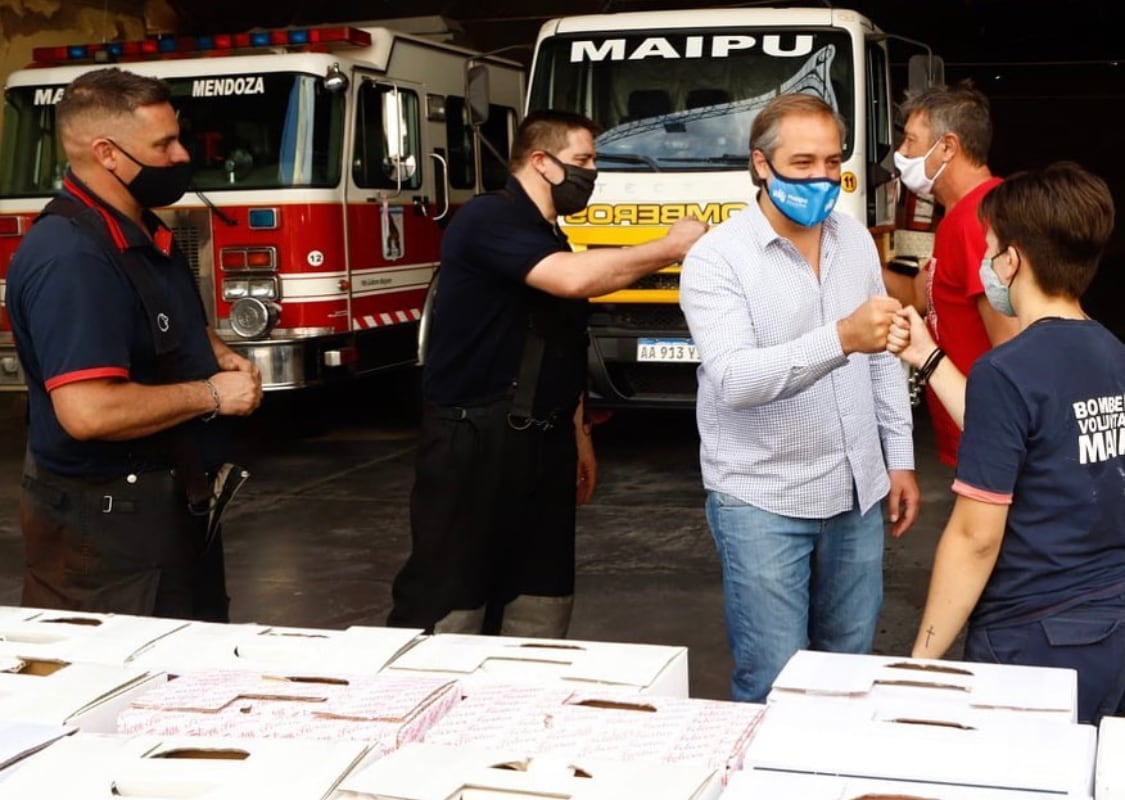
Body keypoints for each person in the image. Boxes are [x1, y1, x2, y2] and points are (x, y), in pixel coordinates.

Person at [386, 110, 708, 637]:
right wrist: (671, 247)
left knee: (539, 601)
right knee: (449, 604)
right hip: (473, 443)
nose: (592, 172)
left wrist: (578, 435)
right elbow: (572, 280)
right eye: (582, 160)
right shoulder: (488, 220)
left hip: (542, 442)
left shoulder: (548, 235)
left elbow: (561, 343)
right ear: (541, 161)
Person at [679, 93, 919, 703]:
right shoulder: (716, 260)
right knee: (774, 684)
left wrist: (899, 458)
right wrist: (840, 338)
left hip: (856, 494)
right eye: (802, 163)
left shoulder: (855, 240)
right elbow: (734, 380)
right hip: (764, 499)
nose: (820, 179)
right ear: (761, 165)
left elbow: (884, 353)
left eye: (832, 162)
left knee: (847, 677)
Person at [6, 67, 263, 620]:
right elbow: (89, 410)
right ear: (108, 154)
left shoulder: (136, 230)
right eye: (163, 143)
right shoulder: (73, 259)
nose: (180, 155)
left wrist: (207, 344)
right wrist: (212, 394)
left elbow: (146, 311)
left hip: (165, 519)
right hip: (109, 541)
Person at [892, 161, 1125, 724]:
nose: (986, 264)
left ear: (1014, 260)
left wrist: (919, 665)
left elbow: (975, 538)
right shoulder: (1112, 355)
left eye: (991, 248)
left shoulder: (1007, 370)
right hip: (1111, 631)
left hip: (1034, 639)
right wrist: (926, 356)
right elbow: (1022, 436)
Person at [892, 83, 1018, 467]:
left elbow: (1012, 350)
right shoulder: (959, 217)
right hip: (975, 437)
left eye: (912, 141)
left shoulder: (974, 220)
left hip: (990, 444)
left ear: (947, 147)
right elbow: (922, 295)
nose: (902, 153)